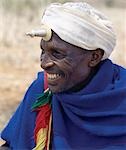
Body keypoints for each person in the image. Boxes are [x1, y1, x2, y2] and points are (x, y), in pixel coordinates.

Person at [1, 2, 126, 150]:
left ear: (94, 57)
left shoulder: (121, 94)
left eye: (57, 54)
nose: (44, 64)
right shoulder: (43, 89)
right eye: (43, 51)